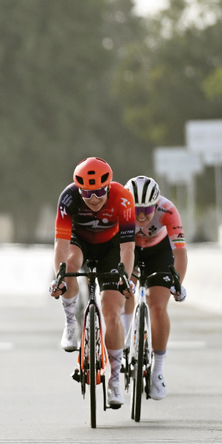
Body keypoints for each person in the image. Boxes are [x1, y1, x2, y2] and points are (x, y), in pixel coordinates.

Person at [49, 157, 135, 408]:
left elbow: (128, 249)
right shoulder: (69, 198)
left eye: (98, 192)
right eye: (87, 193)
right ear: (79, 189)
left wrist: (125, 280)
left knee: (111, 311)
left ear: (108, 187)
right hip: (80, 243)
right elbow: (61, 246)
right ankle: (70, 325)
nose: (93, 198)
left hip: (112, 247)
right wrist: (59, 279)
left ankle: (115, 381)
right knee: (70, 266)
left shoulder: (123, 198)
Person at [124, 176, 188, 400]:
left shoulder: (168, 210)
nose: (141, 215)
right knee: (123, 291)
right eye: (136, 209)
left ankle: (158, 371)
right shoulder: (120, 207)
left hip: (158, 252)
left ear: (156, 203)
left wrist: (177, 282)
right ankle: (122, 339)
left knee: (158, 307)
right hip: (128, 248)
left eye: (147, 209)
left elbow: (179, 252)